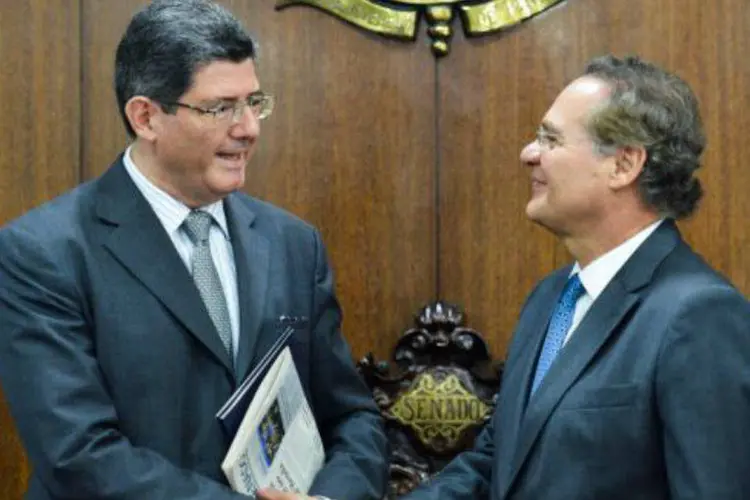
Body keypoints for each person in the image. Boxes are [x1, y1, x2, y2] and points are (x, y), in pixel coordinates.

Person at [0, 1, 387, 499]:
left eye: (255, 102)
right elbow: (77, 455)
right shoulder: (44, 253)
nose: (249, 128)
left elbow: (350, 417)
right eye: (220, 108)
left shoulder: (293, 243)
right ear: (146, 117)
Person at [402, 55, 750, 499]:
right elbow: (497, 464)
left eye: (550, 139)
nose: (528, 154)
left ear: (623, 165)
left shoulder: (700, 316)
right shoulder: (552, 297)